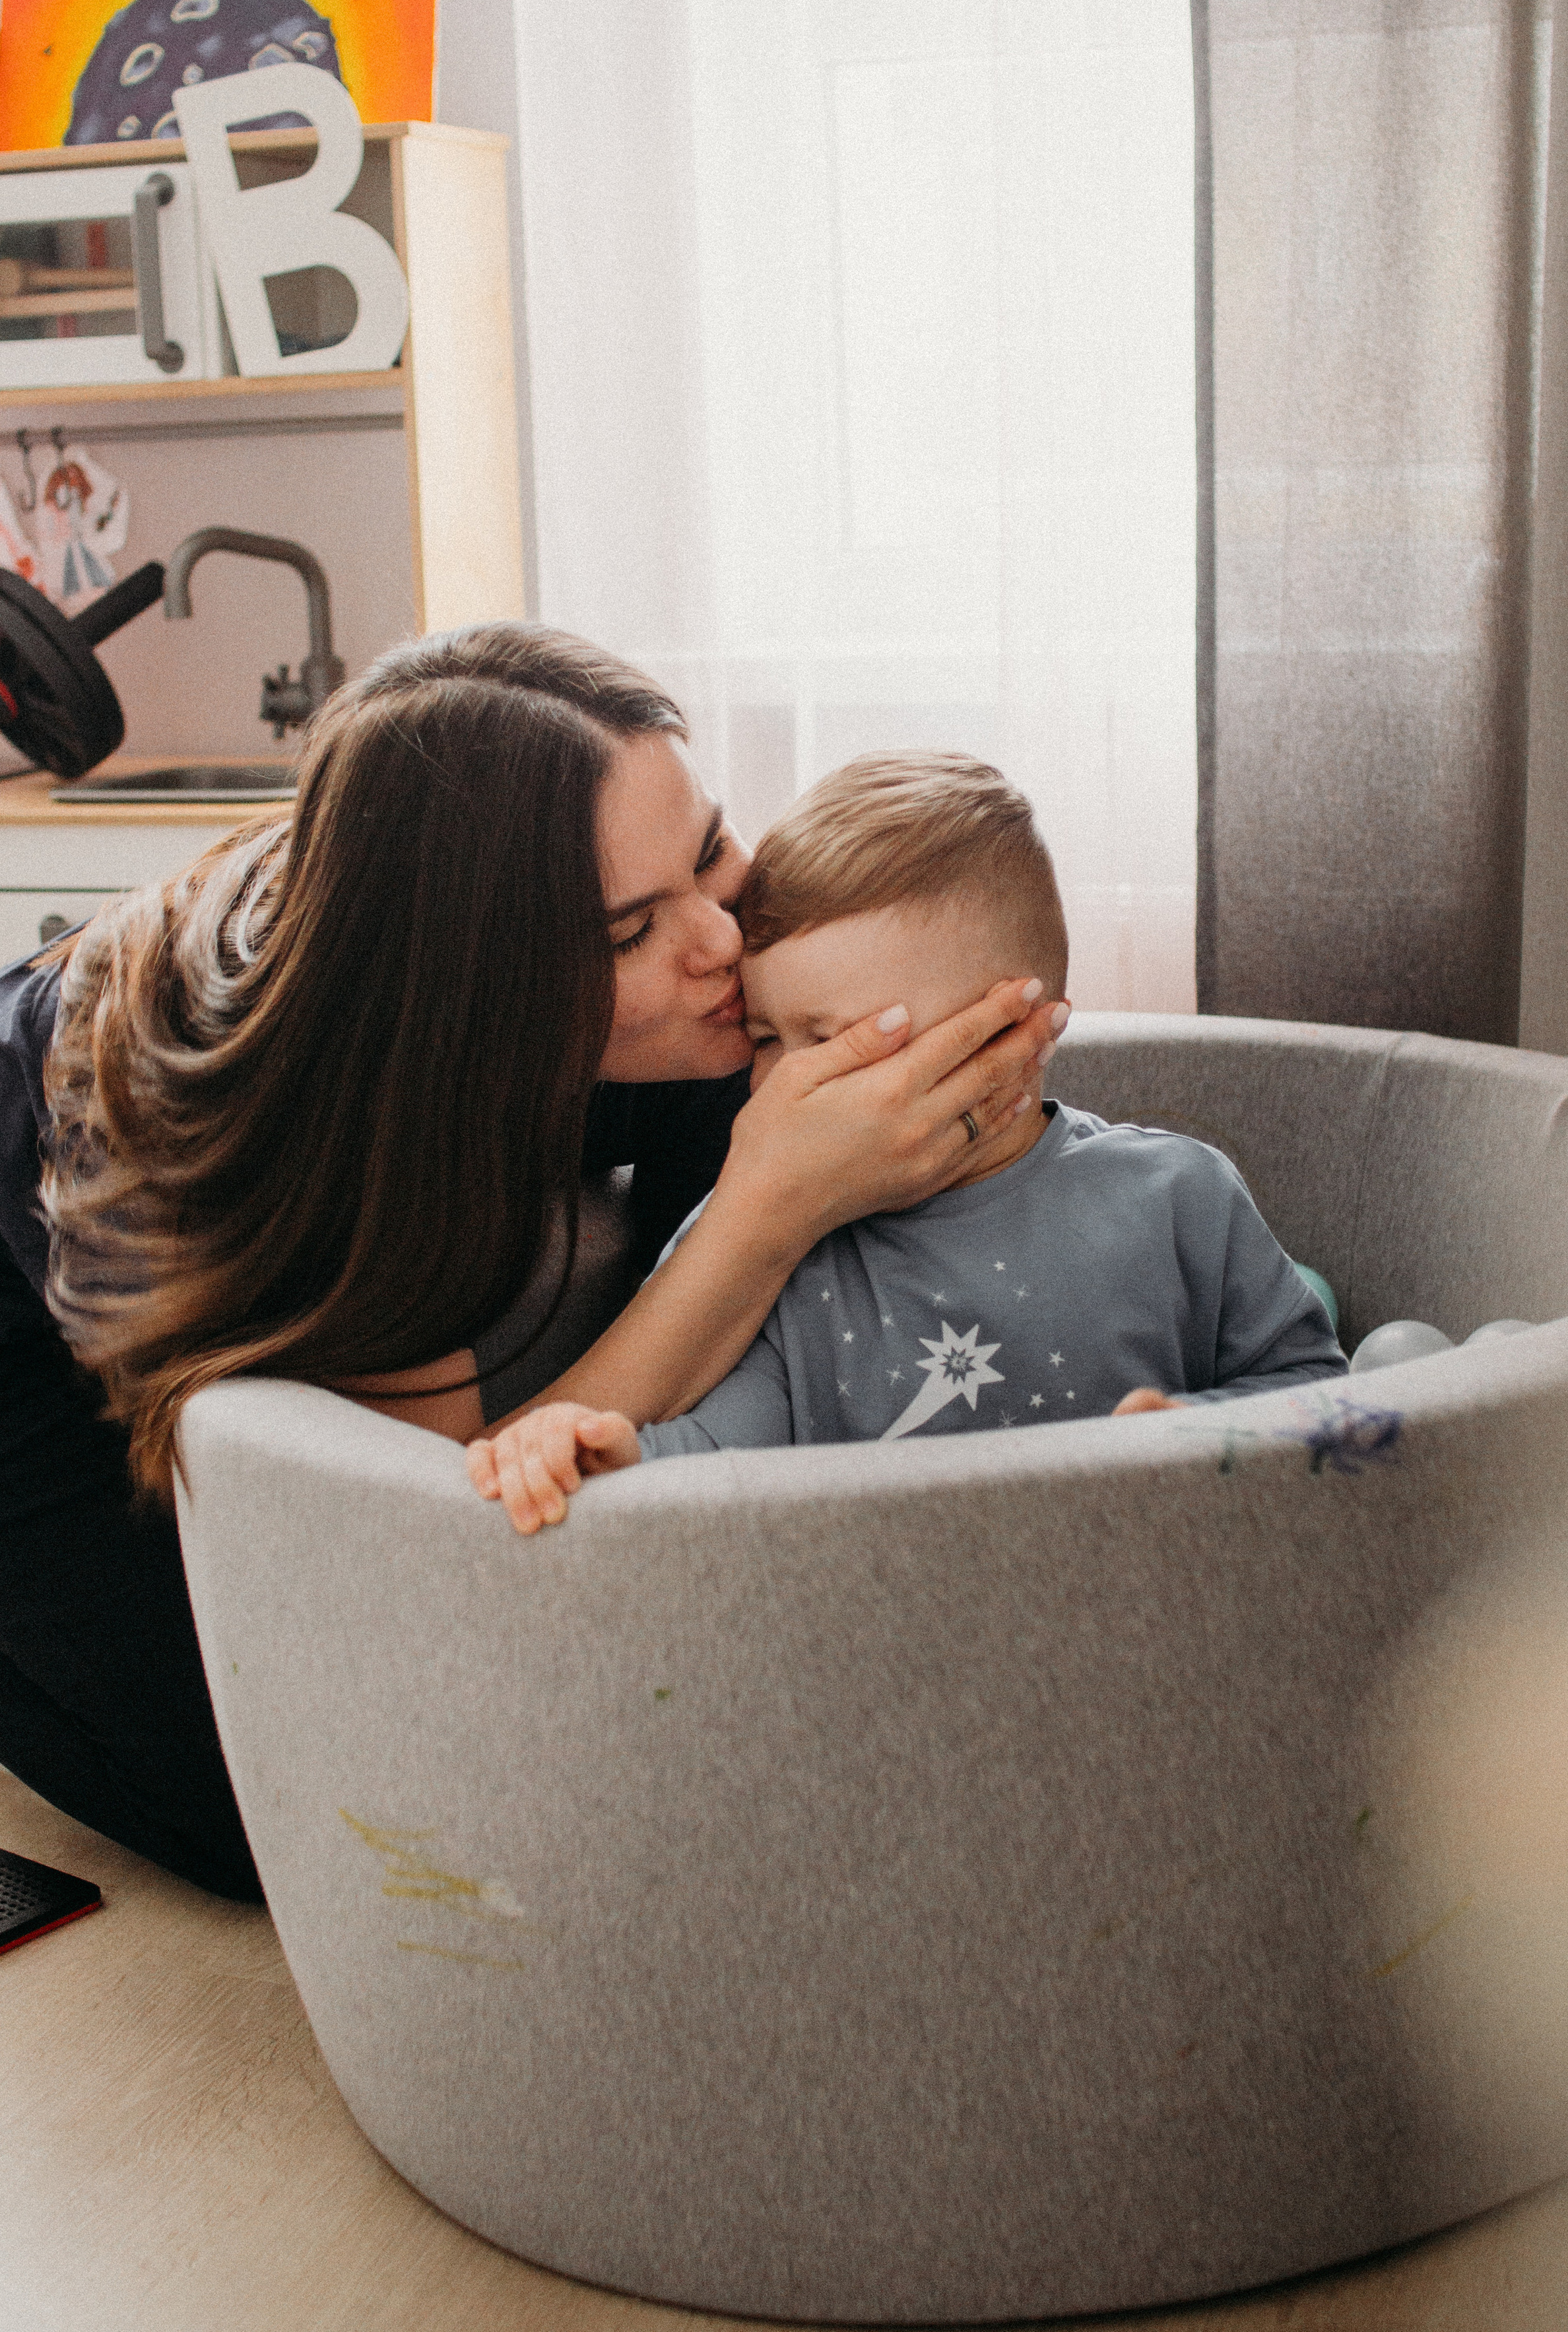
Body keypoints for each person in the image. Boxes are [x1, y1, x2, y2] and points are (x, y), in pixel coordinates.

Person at [2, 633, 1059, 1898]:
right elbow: (438, 1554)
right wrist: (761, 1211)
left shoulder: (656, 948)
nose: (720, 941)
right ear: (491, 997)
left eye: (710, 849)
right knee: (308, 1812)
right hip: (58, 1257)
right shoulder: (364, 1113)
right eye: (628, 931)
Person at [469, 753, 1347, 1533]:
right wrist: (600, 1451)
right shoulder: (782, 1257)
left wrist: (1199, 1435)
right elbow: (715, 1452)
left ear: (1012, 1041)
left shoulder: (1176, 1198)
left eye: (835, 1042)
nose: (780, 1090)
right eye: (768, 1036)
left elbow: (1344, 1408)